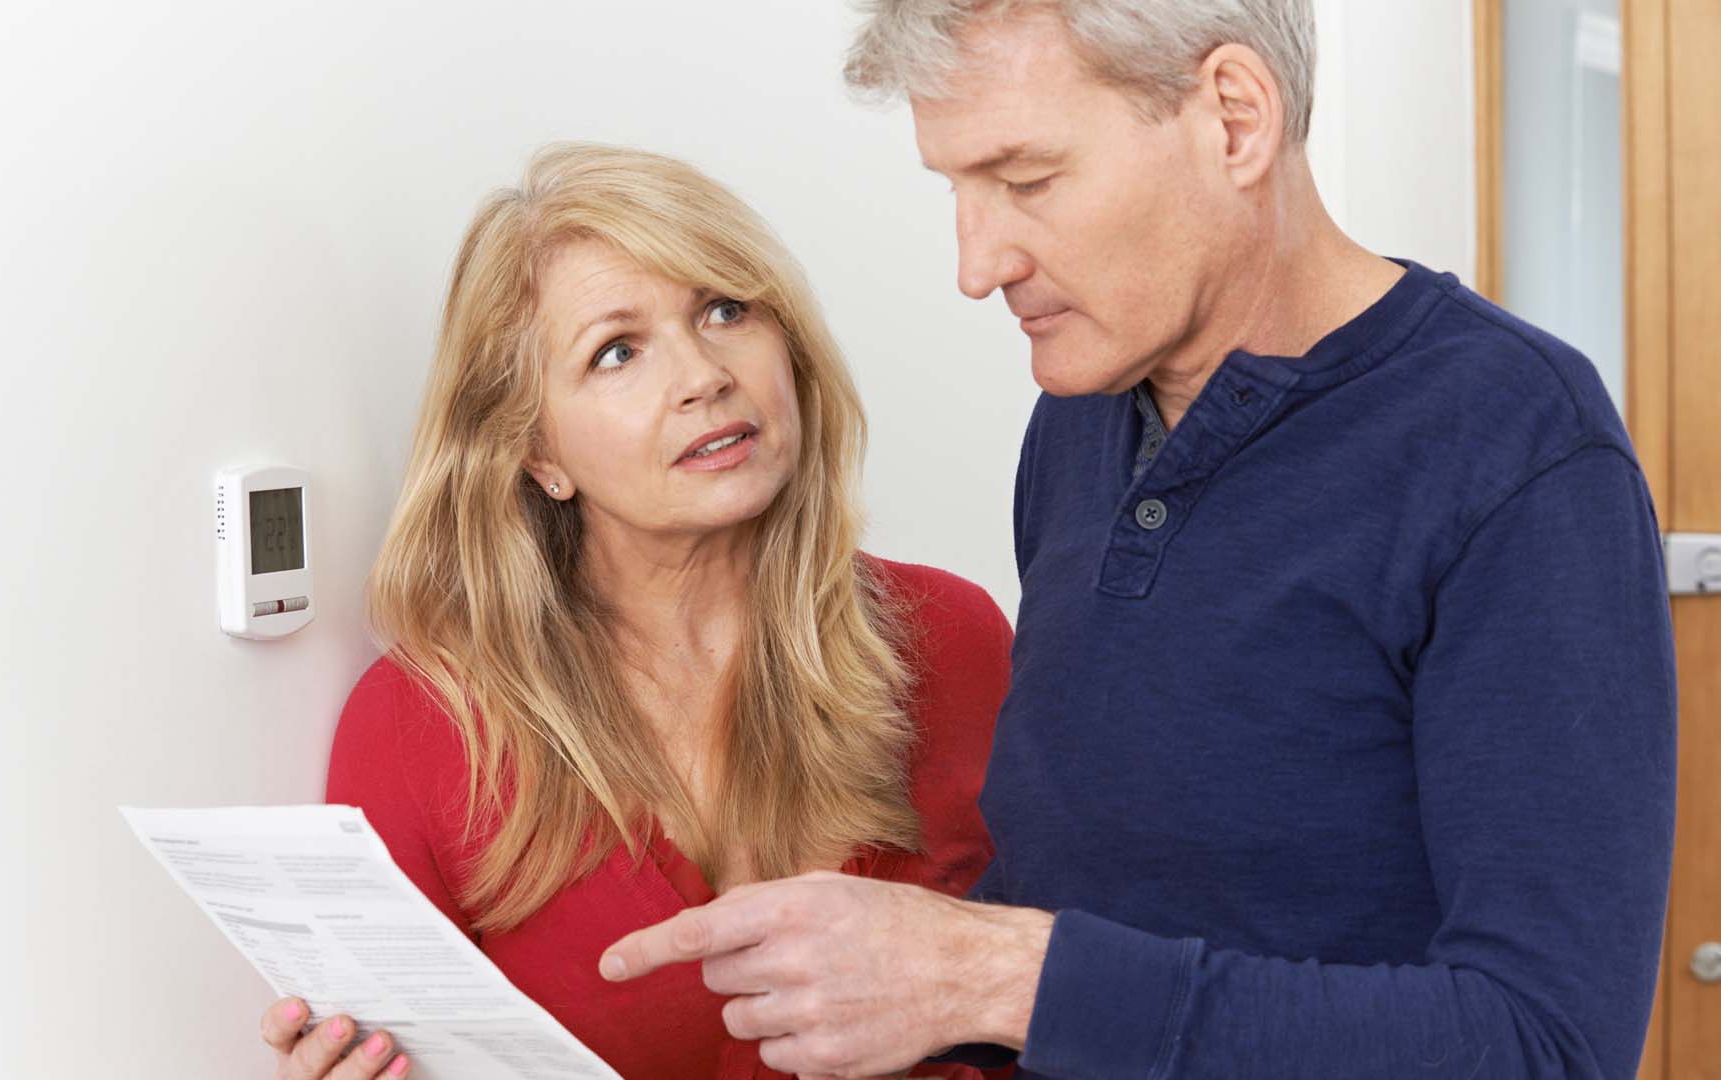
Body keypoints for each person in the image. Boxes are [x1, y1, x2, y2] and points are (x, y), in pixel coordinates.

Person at [601, 3, 1678, 1078]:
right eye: (957, 191)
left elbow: (1547, 1045)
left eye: (1025, 181)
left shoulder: (1517, 449)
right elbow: (1105, 914)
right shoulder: (1080, 421)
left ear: (1233, 118)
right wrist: (882, 978)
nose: (977, 265)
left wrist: (994, 974)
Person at [254, 143, 1015, 1080]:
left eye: (725, 310)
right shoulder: (424, 732)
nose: (703, 374)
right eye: (617, 352)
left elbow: (1087, 990)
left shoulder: (957, 640)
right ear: (538, 453)